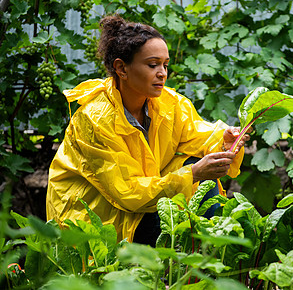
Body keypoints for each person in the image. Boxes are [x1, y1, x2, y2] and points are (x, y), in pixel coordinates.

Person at [46, 14, 251, 246]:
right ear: (121, 68)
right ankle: (197, 263)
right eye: (152, 65)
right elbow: (127, 193)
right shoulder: (95, 120)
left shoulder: (169, 103)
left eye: (165, 64)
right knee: (191, 182)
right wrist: (192, 174)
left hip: (143, 199)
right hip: (96, 217)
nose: (162, 73)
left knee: (201, 176)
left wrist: (224, 141)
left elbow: (196, 133)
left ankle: (206, 261)